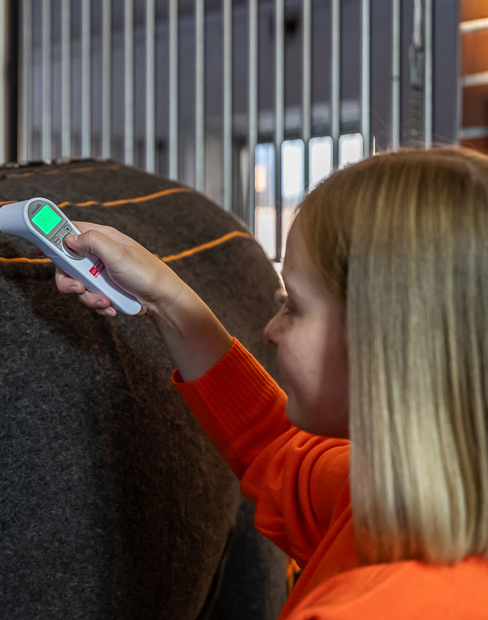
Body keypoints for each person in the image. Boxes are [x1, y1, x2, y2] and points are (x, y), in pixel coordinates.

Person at [54, 147, 488, 618]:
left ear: (386, 342)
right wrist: (164, 297)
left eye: (294, 307)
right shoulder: (402, 495)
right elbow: (276, 451)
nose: (271, 330)